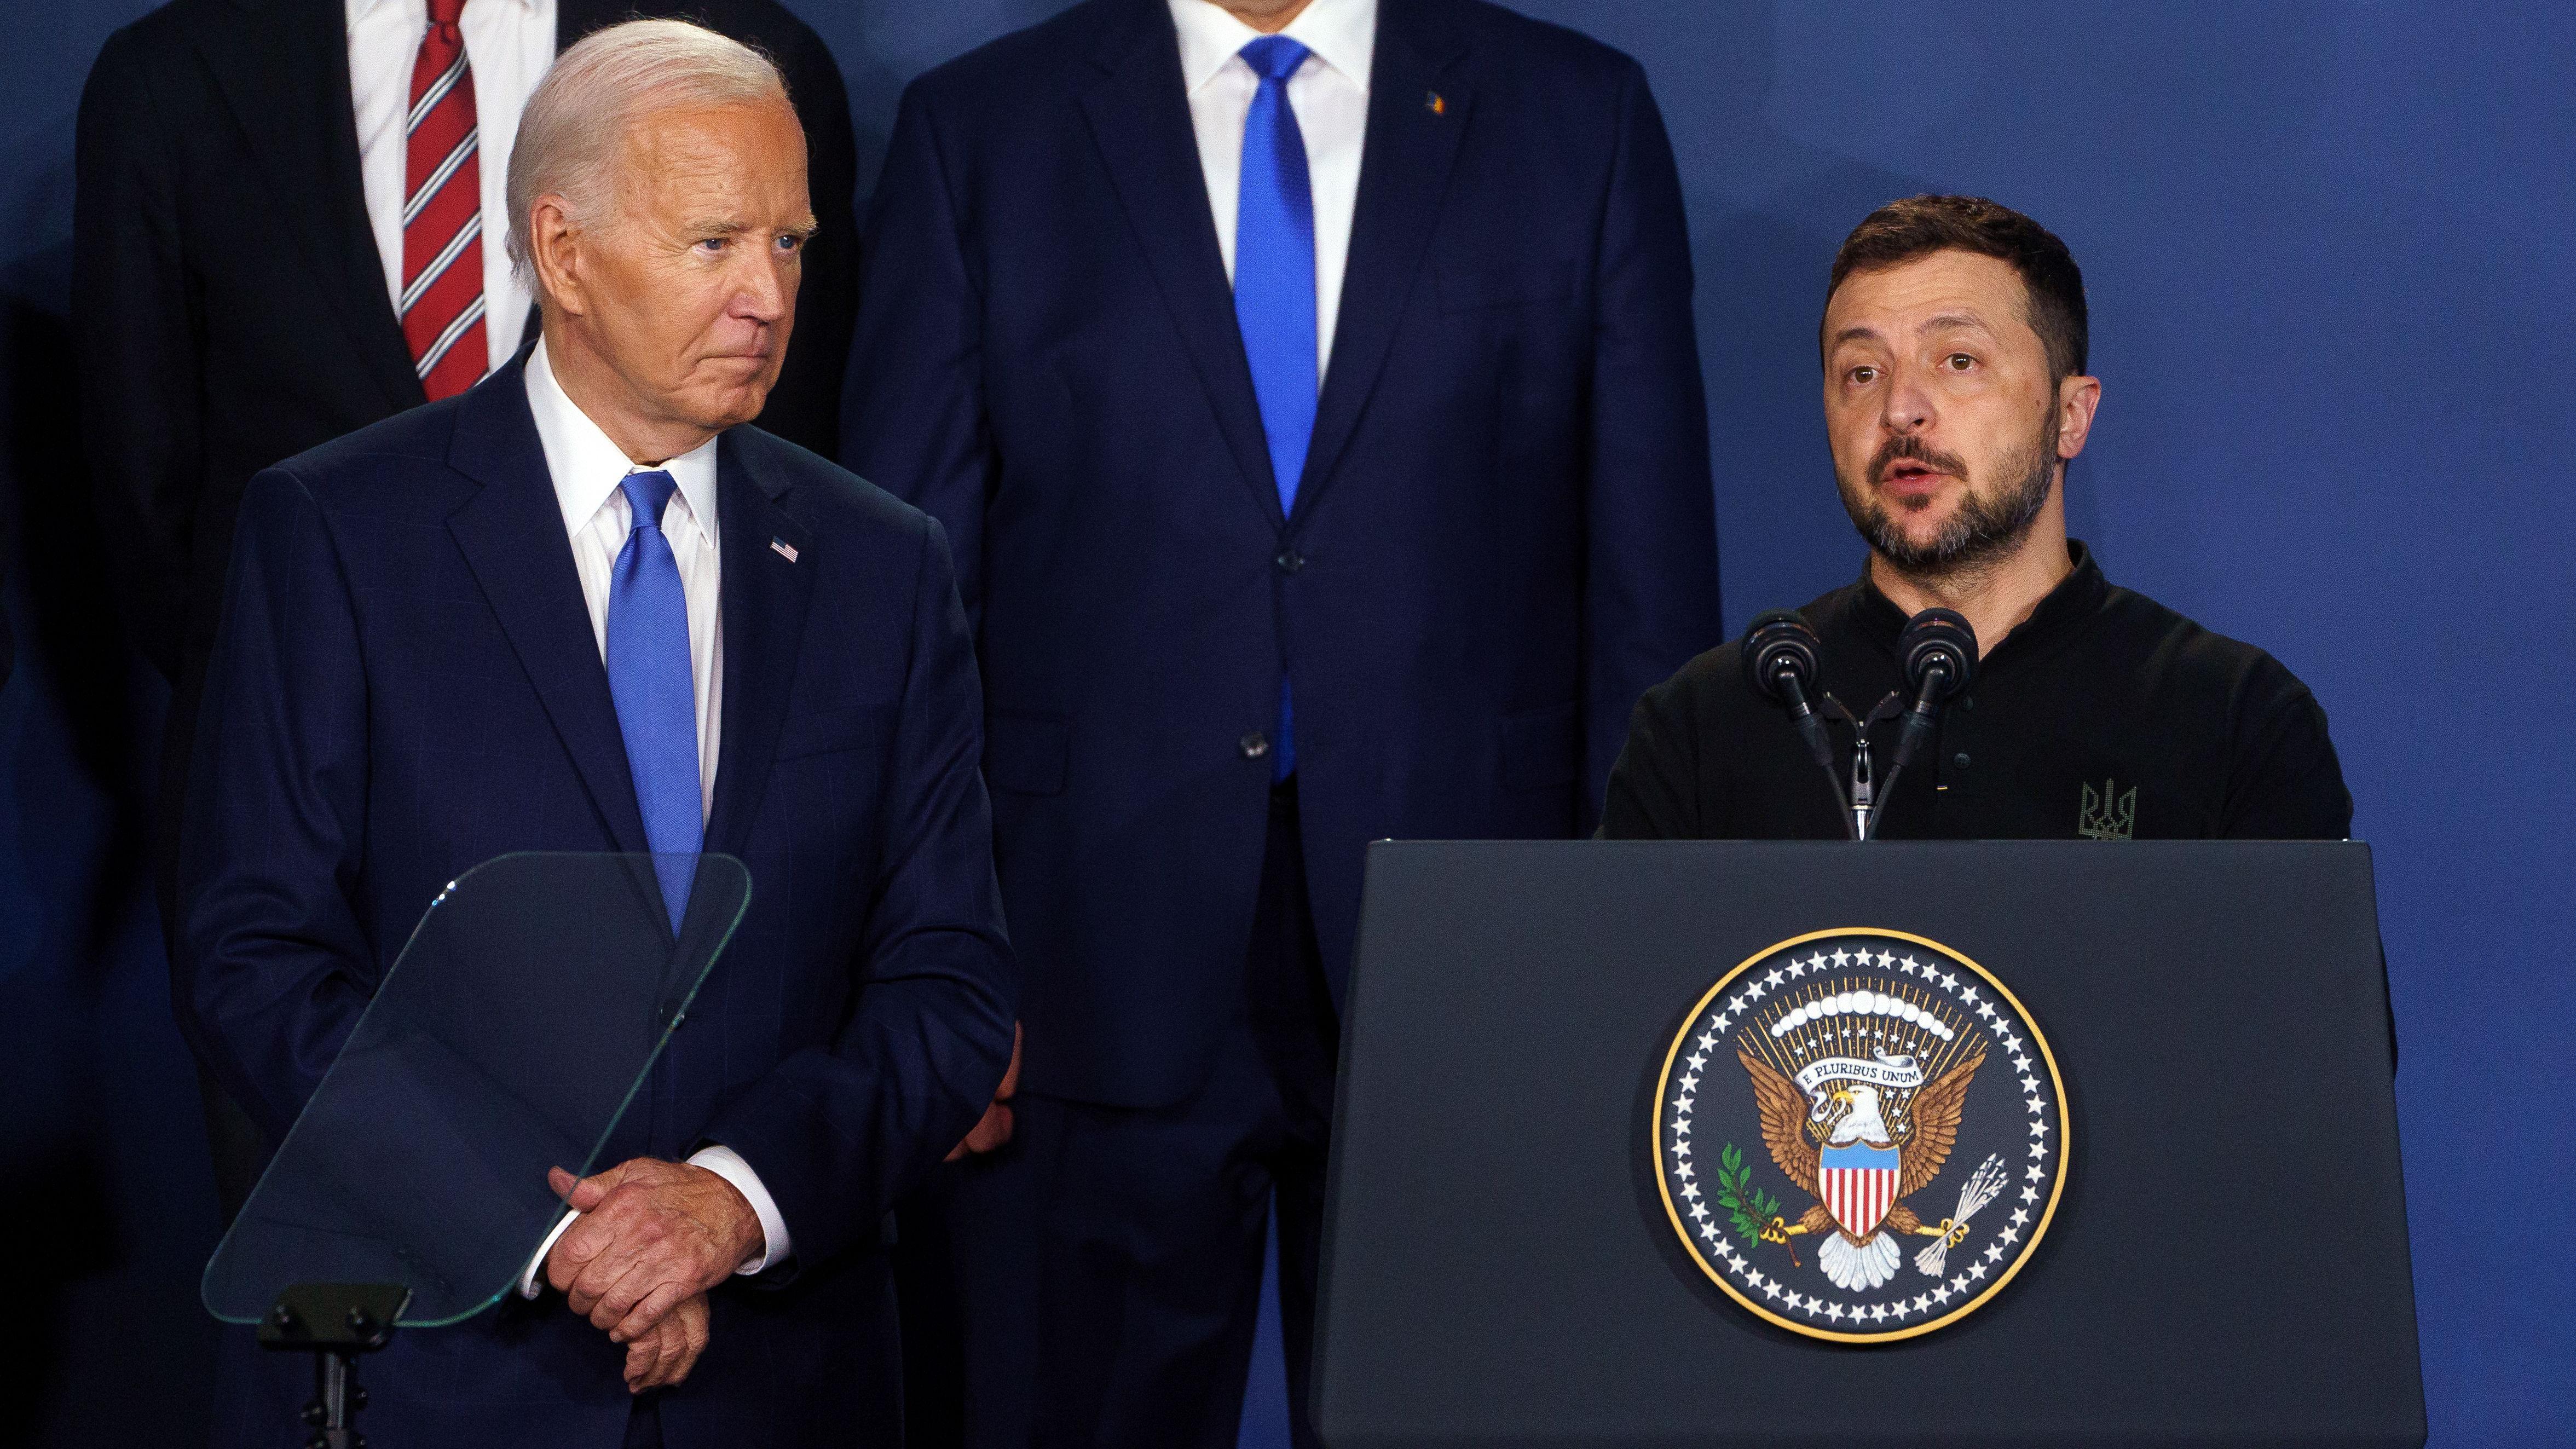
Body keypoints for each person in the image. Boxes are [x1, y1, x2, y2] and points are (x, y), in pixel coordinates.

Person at [842, 0, 1719, 1442]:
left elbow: (1647, 600)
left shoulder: (1577, 117)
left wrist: (1619, 966)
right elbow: (907, 601)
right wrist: (928, 968)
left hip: (1476, 966)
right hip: (1076, 968)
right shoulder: (984, 132)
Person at [174, 23, 1014, 1445]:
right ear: (562, 255)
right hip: (458, 1375)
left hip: (788, 1380)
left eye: (792, 245)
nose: (767, 296)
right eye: (713, 244)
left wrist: (727, 1204)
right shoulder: (340, 536)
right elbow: (260, 957)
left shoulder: (885, 565)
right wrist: (554, 1230)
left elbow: (946, 983)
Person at [71, 0, 863, 1216]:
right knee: (363, 1380)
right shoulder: (173, 76)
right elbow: (150, 508)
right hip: (325, 911)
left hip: (692, 897)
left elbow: (787, 502)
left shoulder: (740, 57)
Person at [1601, 194, 2352, 842]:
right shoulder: (1706, 725)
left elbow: (2304, 1010)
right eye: (1860, 373)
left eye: (1957, 360)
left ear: (2069, 415)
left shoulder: (2232, 719)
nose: (1899, 409)